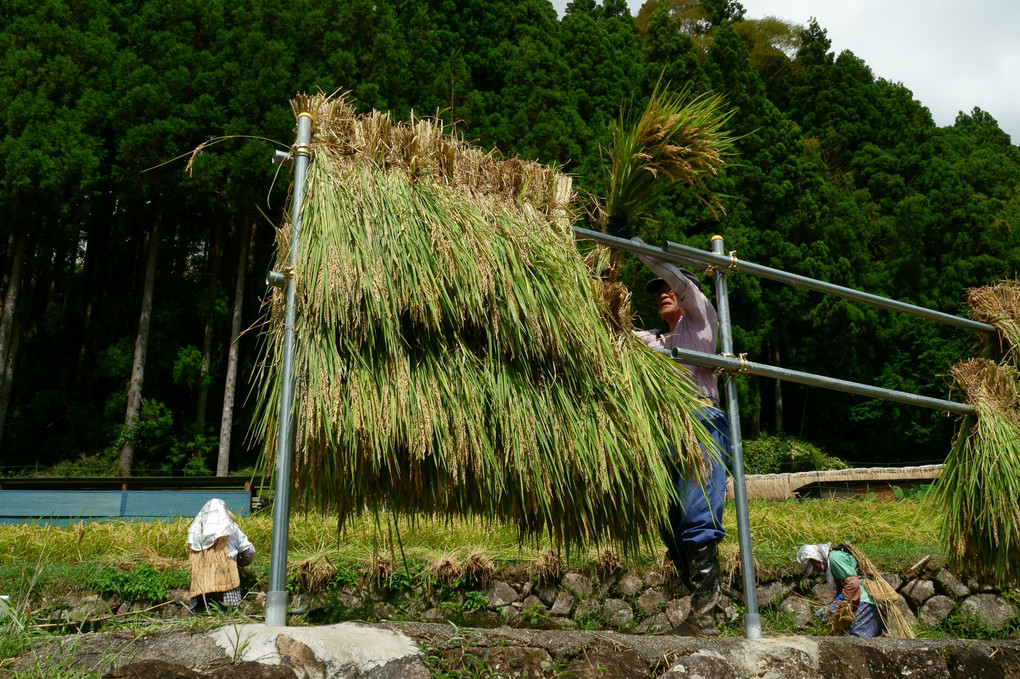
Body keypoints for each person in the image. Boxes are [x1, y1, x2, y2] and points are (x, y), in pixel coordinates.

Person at [615, 227, 732, 637]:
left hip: (699, 421)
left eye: (669, 287)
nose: (664, 292)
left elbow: (680, 281)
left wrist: (634, 247)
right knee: (670, 523)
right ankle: (716, 607)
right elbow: (614, 334)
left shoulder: (700, 320)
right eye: (658, 290)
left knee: (699, 514)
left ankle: (704, 619)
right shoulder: (654, 340)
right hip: (663, 430)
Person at [797, 542, 883, 637]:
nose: (816, 571)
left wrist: (839, 603)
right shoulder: (835, 559)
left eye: (814, 567)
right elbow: (845, 586)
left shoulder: (834, 558)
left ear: (816, 559)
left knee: (858, 639)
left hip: (866, 599)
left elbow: (853, 583)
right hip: (871, 599)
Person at [187, 498, 255, 614]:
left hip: (202, 583)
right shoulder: (233, 531)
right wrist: (242, 562)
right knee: (228, 612)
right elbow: (249, 551)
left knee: (200, 613)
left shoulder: (196, 533)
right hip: (226, 579)